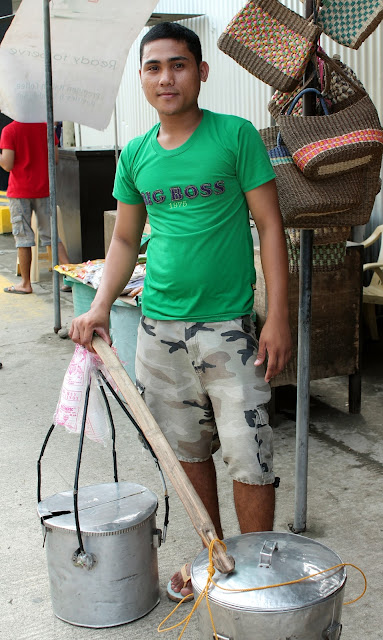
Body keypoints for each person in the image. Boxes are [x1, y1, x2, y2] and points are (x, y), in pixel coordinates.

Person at [69, 23, 292, 601]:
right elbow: (123, 242)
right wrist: (98, 308)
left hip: (231, 329)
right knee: (185, 452)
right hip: (158, 330)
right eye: (153, 67)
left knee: (250, 455)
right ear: (142, 77)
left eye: (178, 65)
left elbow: (270, 225)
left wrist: (278, 316)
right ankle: (211, 559)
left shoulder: (235, 137)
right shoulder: (137, 155)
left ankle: (256, 572)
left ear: (201, 72)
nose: (166, 77)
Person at [0, 121, 69, 294]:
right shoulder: (46, 128)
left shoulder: (10, 130)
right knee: (52, 236)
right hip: (44, 189)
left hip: (19, 191)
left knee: (23, 237)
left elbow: (7, 164)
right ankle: (69, 279)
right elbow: (55, 159)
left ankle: (25, 283)